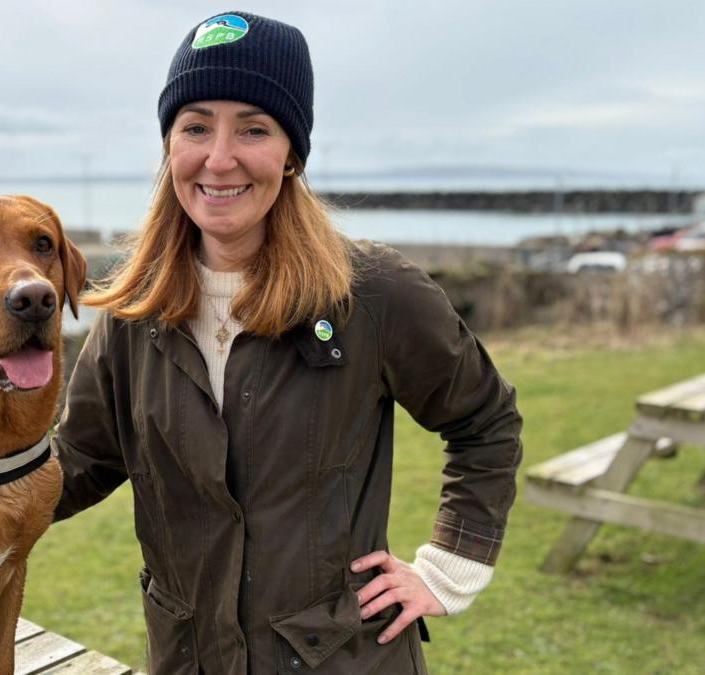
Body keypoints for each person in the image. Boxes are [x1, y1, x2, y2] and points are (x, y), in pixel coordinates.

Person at [50, 11, 522, 674]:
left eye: (253, 127)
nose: (219, 157)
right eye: (195, 126)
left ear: (292, 151)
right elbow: (78, 464)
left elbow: (486, 420)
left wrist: (447, 569)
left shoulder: (373, 294)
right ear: (168, 147)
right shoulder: (135, 312)